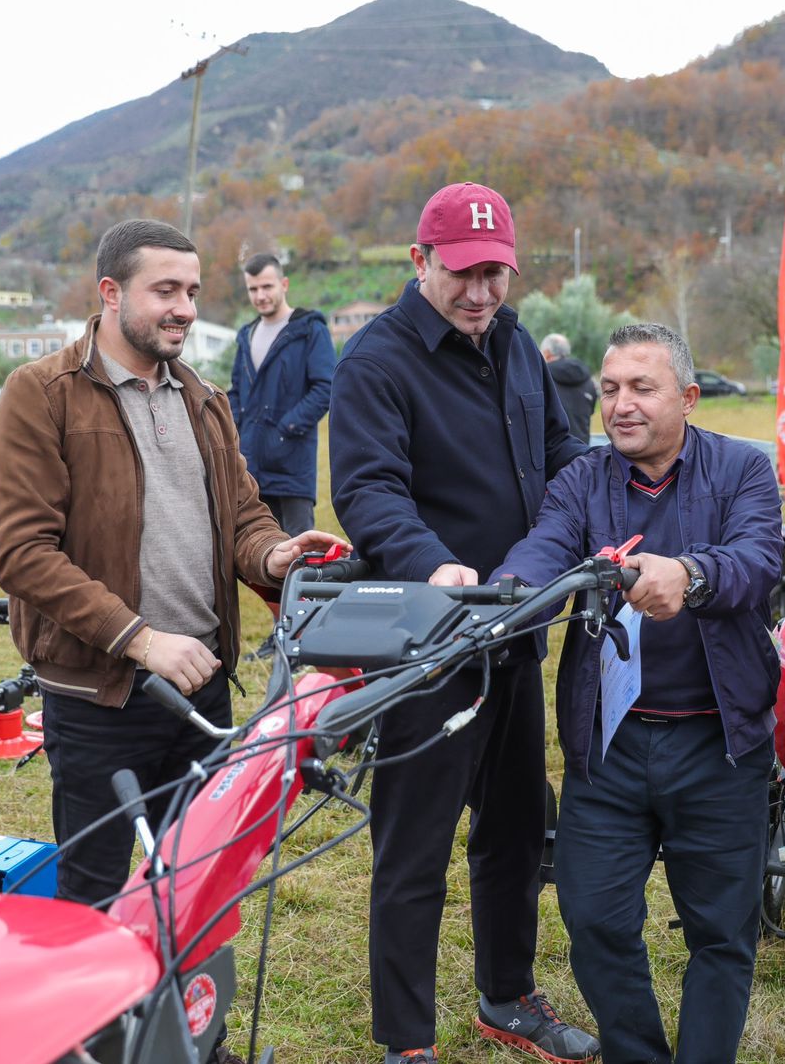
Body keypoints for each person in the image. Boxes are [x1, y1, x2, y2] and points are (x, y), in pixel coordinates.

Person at [0, 219, 347, 907]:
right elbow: (24, 554)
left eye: (193, 290)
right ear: (111, 292)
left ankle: (193, 1018)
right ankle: (100, 1020)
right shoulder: (42, 394)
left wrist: (273, 553)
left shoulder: (205, 400)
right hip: (100, 695)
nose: (185, 306)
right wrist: (141, 640)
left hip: (200, 688)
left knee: (196, 891)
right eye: (166, 290)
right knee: (93, 896)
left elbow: (242, 515)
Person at [329, 182, 596, 1064]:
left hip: (516, 629)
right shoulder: (376, 361)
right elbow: (367, 487)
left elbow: (559, 458)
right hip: (429, 644)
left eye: (496, 274)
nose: (481, 292)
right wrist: (430, 561)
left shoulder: (514, 342)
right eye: (463, 273)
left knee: (517, 828)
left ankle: (508, 998)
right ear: (419, 261)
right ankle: (406, 1041)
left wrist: (602, 506)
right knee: (413, 850)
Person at [497, 322, 782, 1064]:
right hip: (610, 746)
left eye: (642, 388)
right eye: (611, 389)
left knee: (721, 931)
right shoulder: (582, 481)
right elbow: (545, 547)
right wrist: (504, 593)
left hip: (720, 745)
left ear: (688, 397)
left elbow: (756, 560)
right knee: (593, 920)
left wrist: (690, 575)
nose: (620, 405)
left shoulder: (743, 470)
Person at [229, 253, 335, 661]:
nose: (260, 295)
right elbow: (237, 390)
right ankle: (282, 635)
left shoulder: (309, 330)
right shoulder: (245, 335)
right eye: (253, 289)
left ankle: (305, 637)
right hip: (253, 465)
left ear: (284, 284)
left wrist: (286, 429)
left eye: (267, 286)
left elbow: (325, 386)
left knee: (300, 555)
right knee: (263, 556)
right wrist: (237, 431)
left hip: (292, 463)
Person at [541, 332, 598, 443]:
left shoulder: (541, 377)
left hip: (552, 453)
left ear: (547, 354)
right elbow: (591, 411)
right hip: (582, 452)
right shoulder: (588, 380)